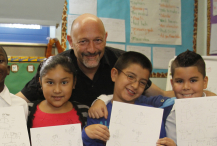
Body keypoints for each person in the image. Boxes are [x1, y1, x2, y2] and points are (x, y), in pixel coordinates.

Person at [16, 13, 174, 107]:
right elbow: (19, 100)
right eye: (83, 41)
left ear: (105, 38)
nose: (92, 49)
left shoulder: (123, 62)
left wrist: (193, 92)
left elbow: (161, 94)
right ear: (70, 41)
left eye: (97, 40)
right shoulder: (55, 67)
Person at [82, 51, 178, 146]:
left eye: (142, 82)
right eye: (130, 76)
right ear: (114, 74)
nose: (134, 85)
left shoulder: (151, 113)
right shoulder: (99, 115)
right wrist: (87, 136)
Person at [26, 55, 91, 146]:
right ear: (40, 83)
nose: (57, 90)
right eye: (50, 82)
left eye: (64, 82)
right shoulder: (27, 112)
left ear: (74, 83)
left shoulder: (85, 112)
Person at [163, 50, 217, 146]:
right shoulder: (165, 114)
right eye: (180, 81)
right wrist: (102, 99)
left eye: (193, 80)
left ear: (204, 82)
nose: (186, 87)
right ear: (172, 83)